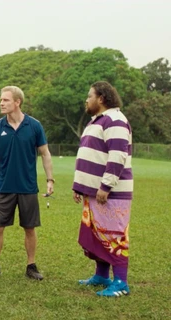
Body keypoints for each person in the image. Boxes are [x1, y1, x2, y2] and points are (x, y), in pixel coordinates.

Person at [0, 86, 54, 281]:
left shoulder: (34, 126)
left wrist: (49, 179)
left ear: (17, 102)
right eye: (1, 100)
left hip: (28, 187)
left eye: (5, 100)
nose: (1, 103)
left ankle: (31, 265)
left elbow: (45, 153)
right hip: (4, 187)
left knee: (30, 228)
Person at [73, 81, 133, 297]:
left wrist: (106, 185)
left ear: (101, 98)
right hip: (94, 192)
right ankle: (101, 275)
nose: (86, 100)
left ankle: (121, 282)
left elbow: (117, 156)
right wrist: (80, 187)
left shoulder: (115, 120)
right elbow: (92, 156)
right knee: (97, 235)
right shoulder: (96, 122)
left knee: (114, 235)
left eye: (90, 96)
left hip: (111, 193)